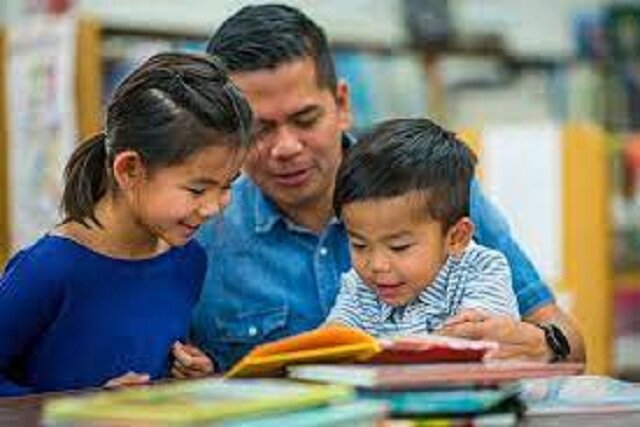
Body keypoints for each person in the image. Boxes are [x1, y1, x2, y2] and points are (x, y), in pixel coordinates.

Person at [190, 4, 584, 372]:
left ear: (342, 104)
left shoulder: (437, 192)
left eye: (306, 119)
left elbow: (573, 344)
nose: (286, 147)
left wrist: (545, 344)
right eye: (259, 129)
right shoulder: (197, 231)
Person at [0, 52, 252, 396]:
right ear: (129, 170)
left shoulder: (189, 260)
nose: (213, 208)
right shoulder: (48, 269)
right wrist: (82, 407)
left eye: (227, 186)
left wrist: (193, 374)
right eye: (197, 189)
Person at [326, 118, 519, 335]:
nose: (377, 265)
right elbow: (334, 338)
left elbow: (472, 337)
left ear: (456, 237)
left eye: (399, 247)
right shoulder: (358, 287)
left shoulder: (481, 270)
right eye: (359, 245)